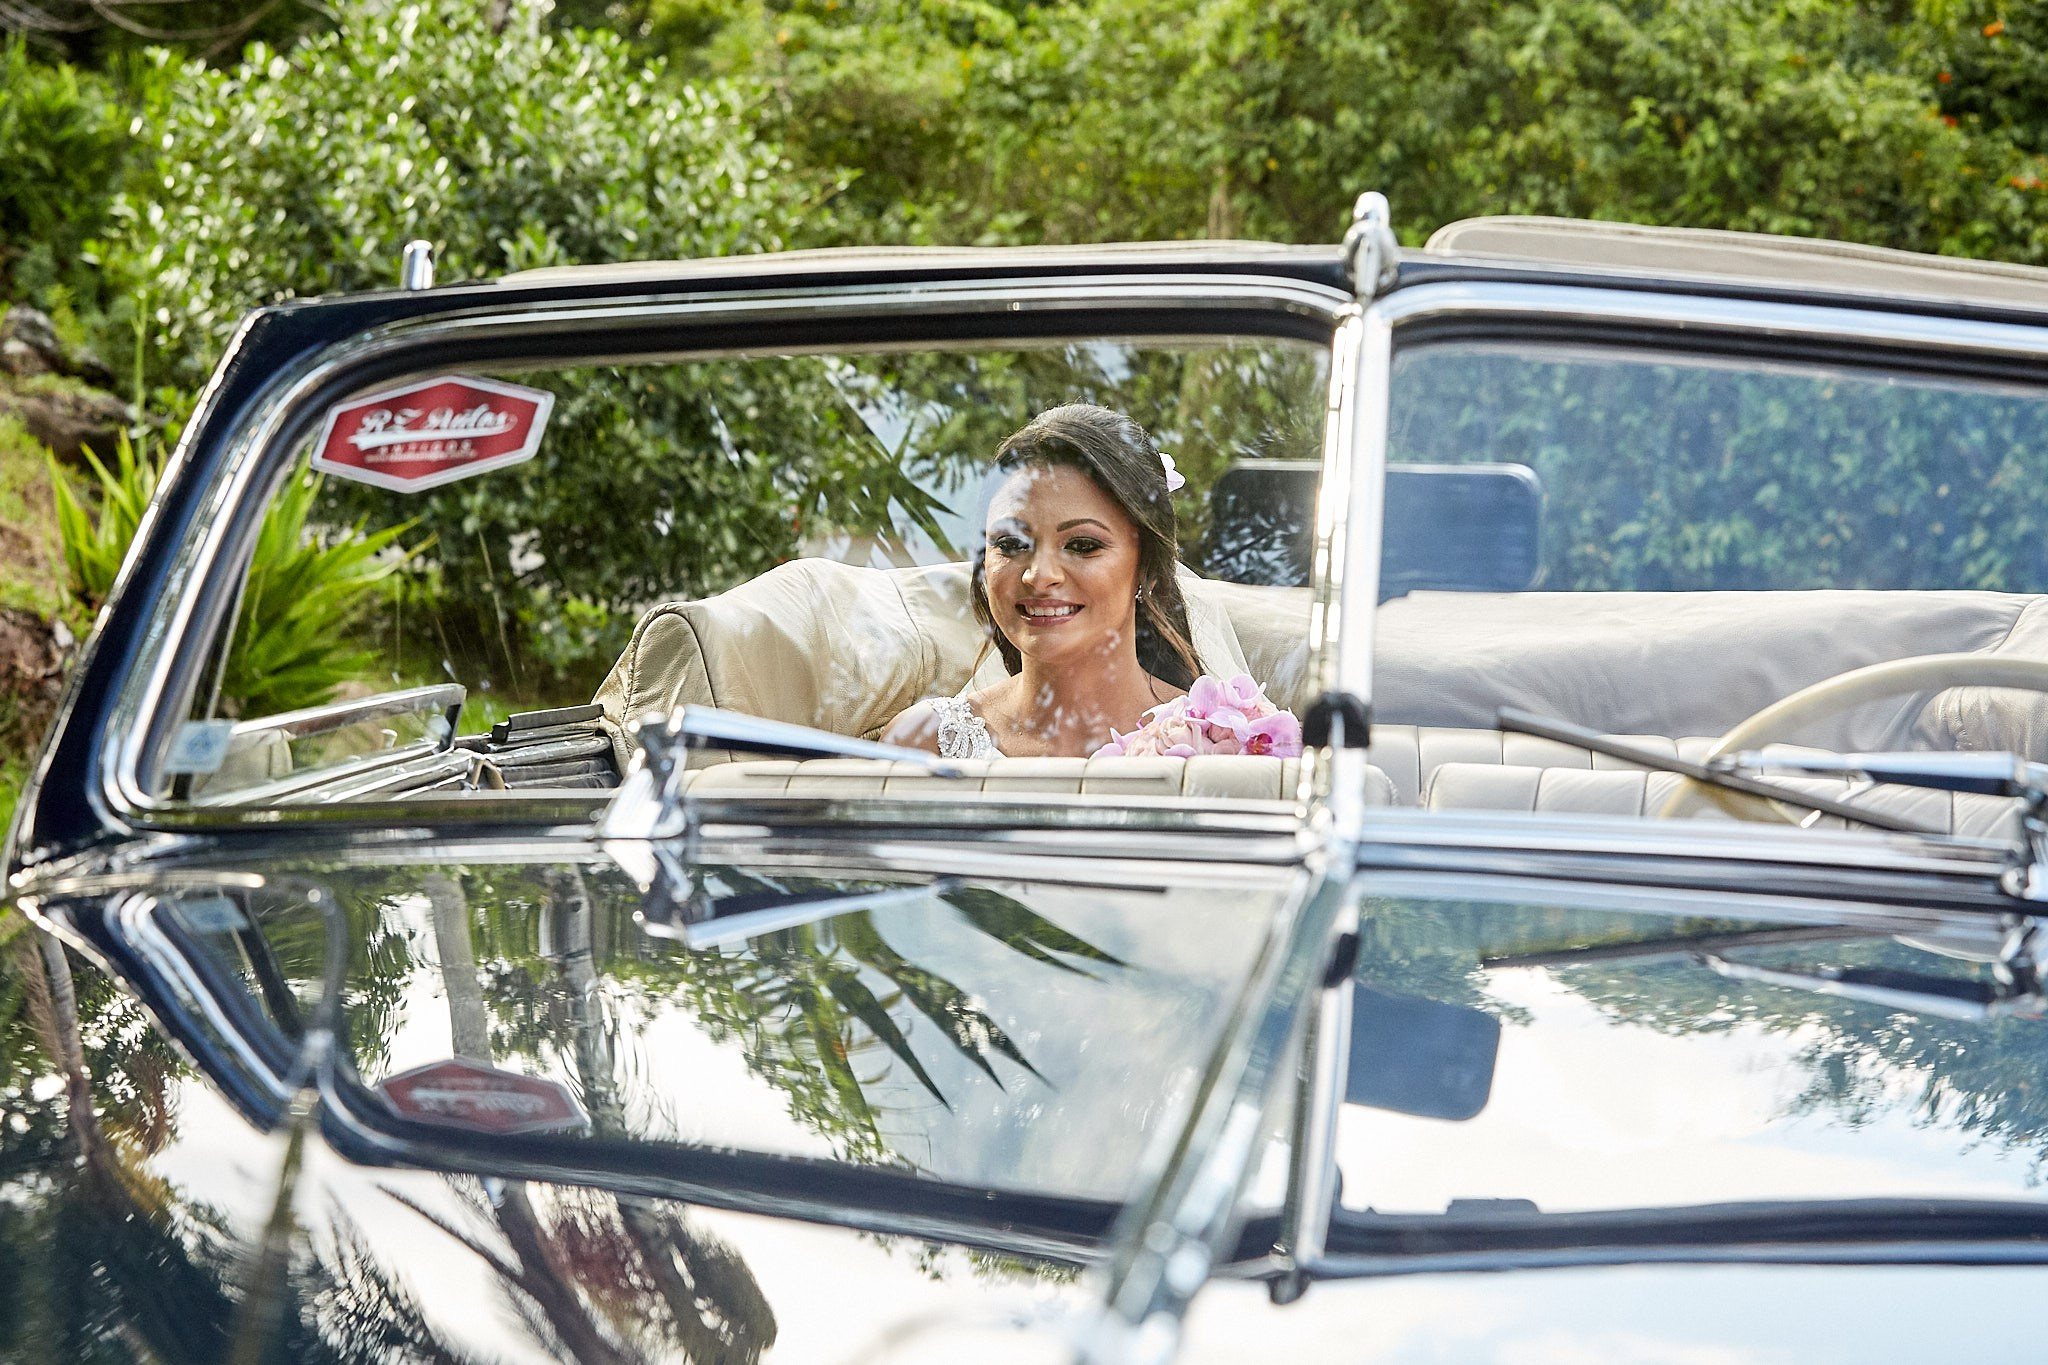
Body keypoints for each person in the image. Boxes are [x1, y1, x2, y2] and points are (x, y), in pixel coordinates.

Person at [884, 404, 1203, 759]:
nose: (1039, 576)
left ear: (1148, 568)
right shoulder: (922, 742)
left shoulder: (1219, 740)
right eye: (1011, 544)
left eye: (1082, 545)